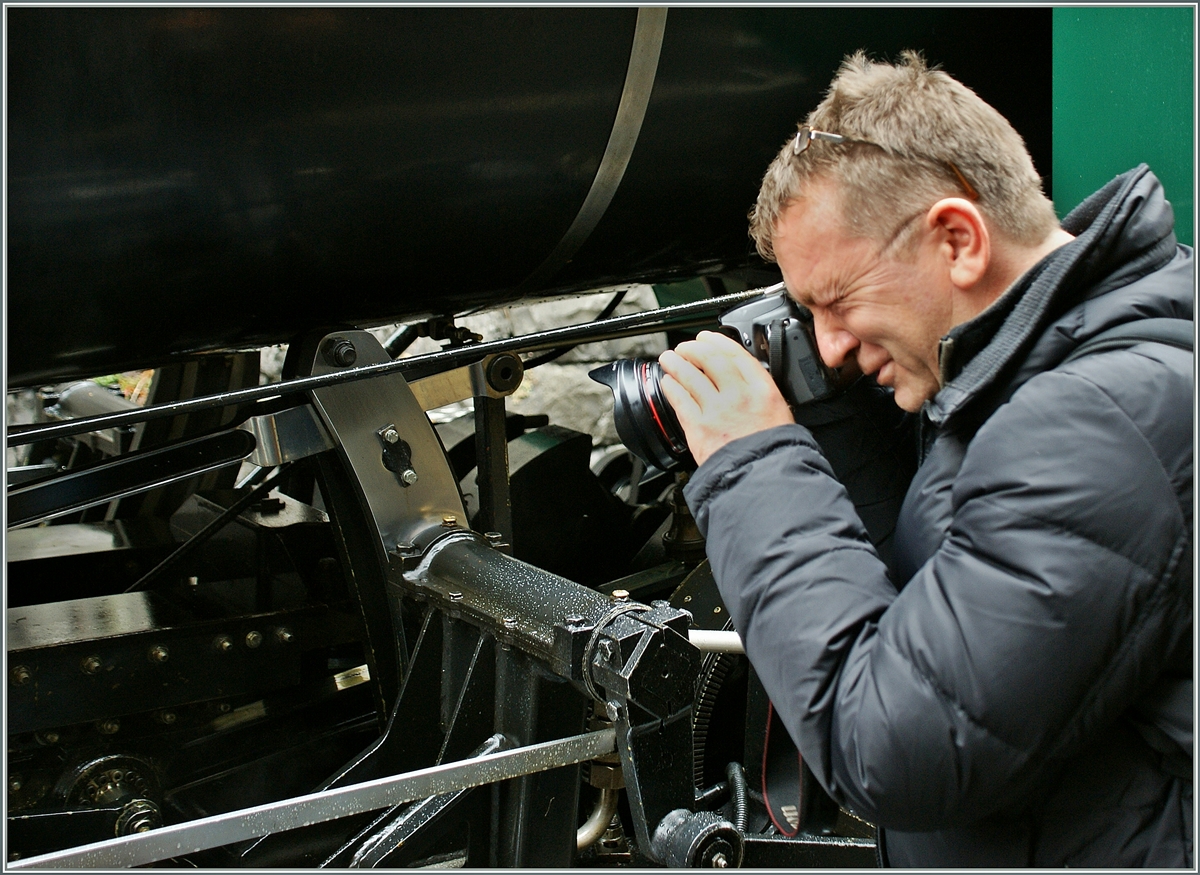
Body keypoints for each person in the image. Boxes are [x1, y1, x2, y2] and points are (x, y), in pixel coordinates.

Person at [658, 51, 1193, 867]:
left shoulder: (1091, 423)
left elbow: (889, 748)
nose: (830, 344)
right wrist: (832, 417)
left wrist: (752, 461)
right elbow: (930, 611)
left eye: (837, 301)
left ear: (957, 239)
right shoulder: (1030, 371)